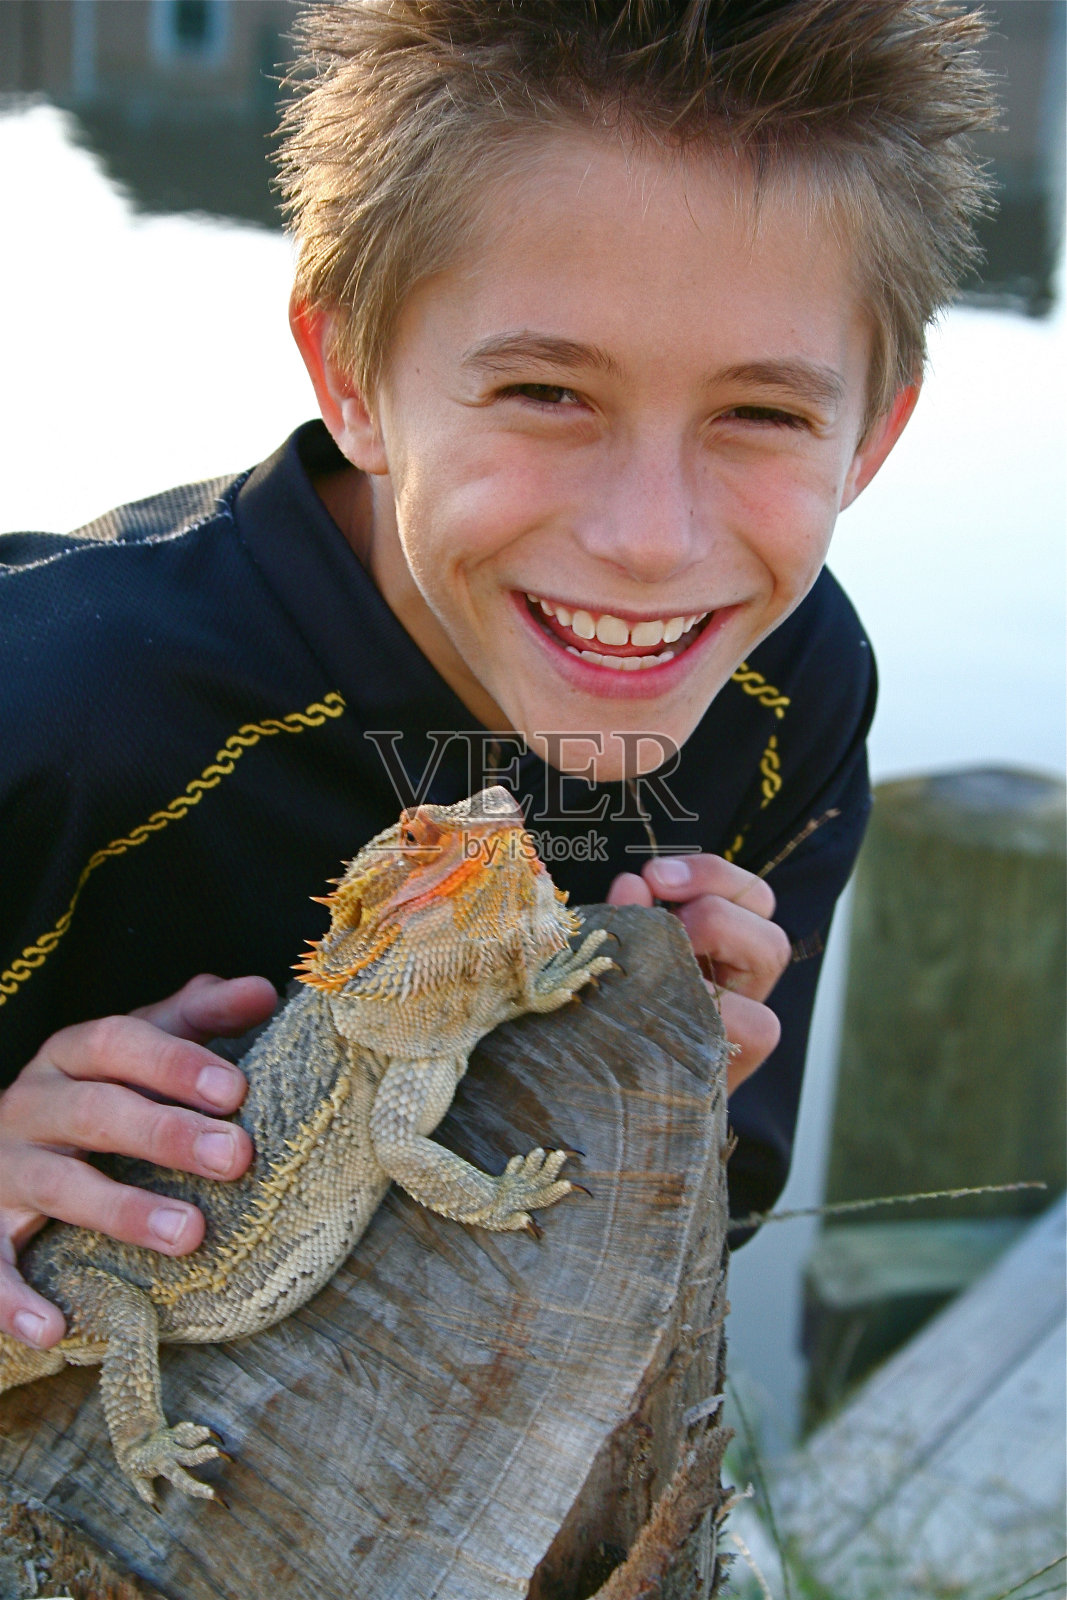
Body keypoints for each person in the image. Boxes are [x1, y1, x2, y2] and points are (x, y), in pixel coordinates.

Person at [0, 0, 997, 1349]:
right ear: (353, 376)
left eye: (761, 413)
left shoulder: (790, 683)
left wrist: (668, 1100)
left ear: (869, 441)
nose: (650, 541)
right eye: (546, 393)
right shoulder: (52, 704)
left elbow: (724, 1208)